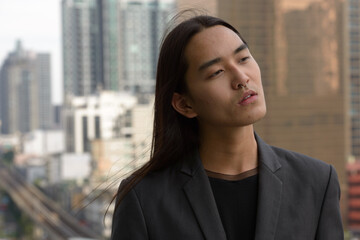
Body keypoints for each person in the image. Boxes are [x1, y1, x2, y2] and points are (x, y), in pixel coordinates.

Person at [111, 13, 343, 240]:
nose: (241, 78)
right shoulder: (144, 198)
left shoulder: (316, 182)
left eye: (243, 59)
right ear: (184, 104)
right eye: (217, 72)